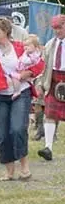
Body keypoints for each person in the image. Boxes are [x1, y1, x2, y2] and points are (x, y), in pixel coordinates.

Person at [0, 18, 44, 180]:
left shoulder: (20, 47)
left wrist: (27, 74)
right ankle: (9, 170)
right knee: (2, 133)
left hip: (21, 92)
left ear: (6, 32)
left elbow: (39, 62)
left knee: (17, 128)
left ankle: (24, 166)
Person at [36, 15, 65, 161]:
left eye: (59, 27)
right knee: (49, 115)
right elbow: (44, 66)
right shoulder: (50, 44)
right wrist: (40, 84)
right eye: (54, 28)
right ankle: (48, 147)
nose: (57, 31)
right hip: (53, 80)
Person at [9, 35, 41, 100]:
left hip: (27, 74)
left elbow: (27, 61)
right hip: (22, 71)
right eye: (25, 46)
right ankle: (17, 90)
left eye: (28, 46)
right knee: (14, 77)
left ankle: (17, 91)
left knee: (15, 76)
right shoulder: (27, 53)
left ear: (35, 46)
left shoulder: (34, 55)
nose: (26, 47)